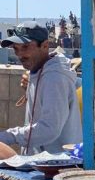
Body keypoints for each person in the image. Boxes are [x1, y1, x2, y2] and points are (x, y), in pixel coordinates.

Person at [0, 23, 82, 154]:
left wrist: (9, 136)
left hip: (57, 165)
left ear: (44, 46)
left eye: (25, 47)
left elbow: (49, 129)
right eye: (16, 48)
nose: (20, 54)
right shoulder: (39, 72)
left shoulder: (54, 77)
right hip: (41, 163)